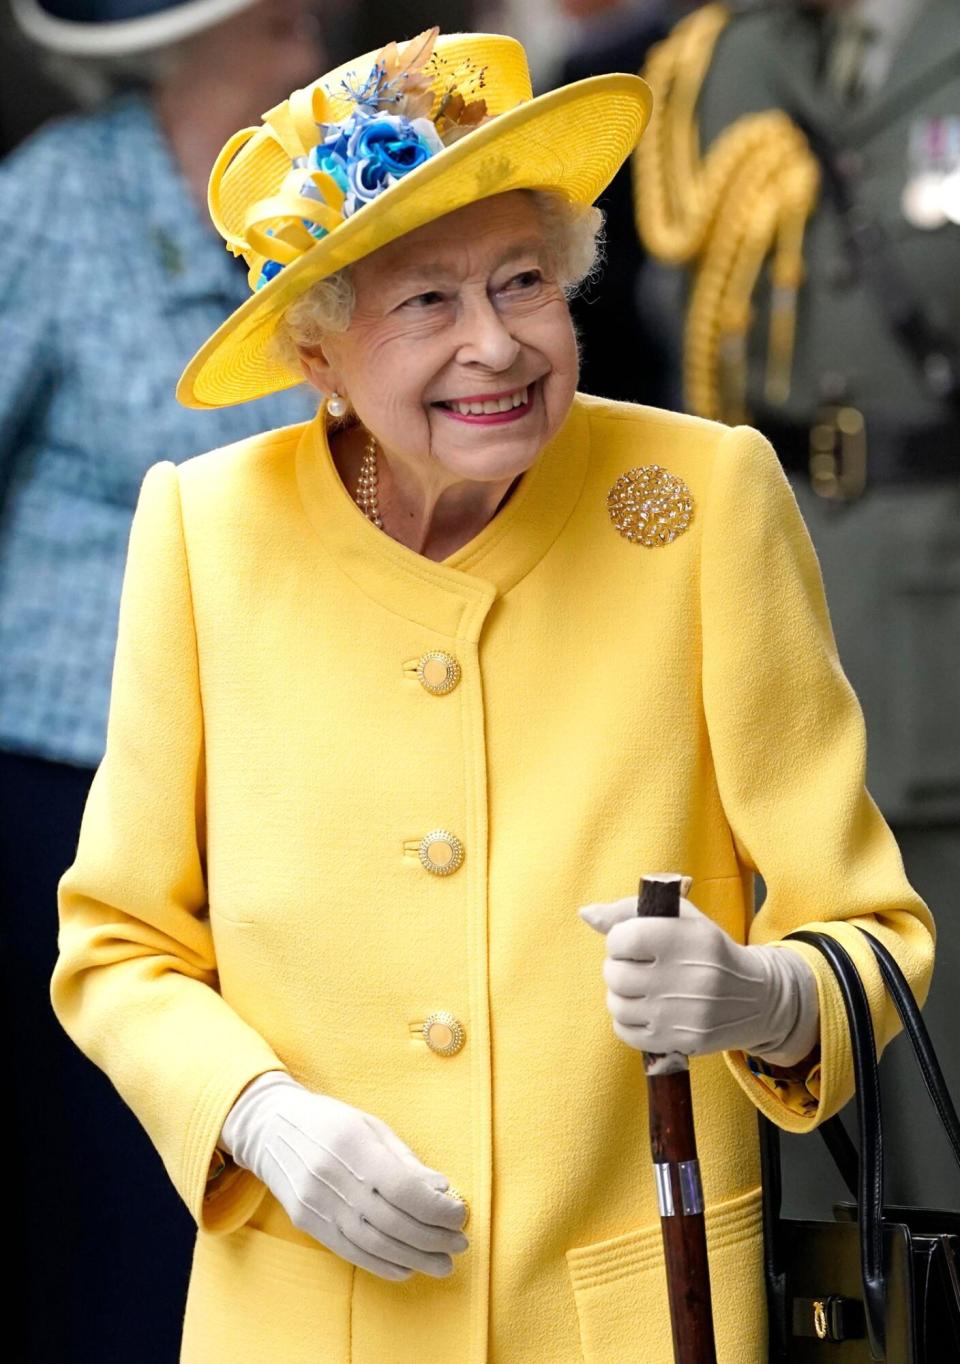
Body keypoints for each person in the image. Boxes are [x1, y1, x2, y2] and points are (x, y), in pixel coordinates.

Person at [51, 25, 933, 1363]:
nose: (498, 346)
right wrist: (256, 1114)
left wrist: (761, 996)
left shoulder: (700, 504)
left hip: (632, 1319)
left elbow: (873, 930)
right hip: (305, 1315)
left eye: (523, 282)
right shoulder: (203, 535)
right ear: (319, 358)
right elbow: (117, 949)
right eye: (426, 305)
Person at [0, 2, 322, 1359]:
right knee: (97, 1183)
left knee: (246, 1158)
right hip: (68, 768)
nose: (301, 31)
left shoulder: (326, 190)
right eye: (267, 16)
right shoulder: (57, 200)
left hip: (286, 780)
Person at [632, 0, 960, 1211]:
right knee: (798, 1107)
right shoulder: (719, 57)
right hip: (756, 589)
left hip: (933, 619)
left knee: (938, 1069)